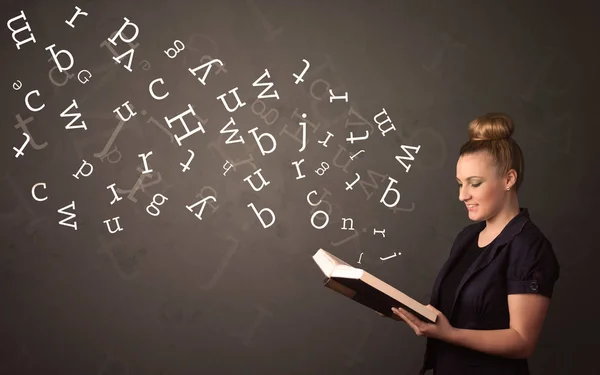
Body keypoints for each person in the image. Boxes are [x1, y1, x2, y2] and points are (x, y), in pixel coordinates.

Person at [388, 113, 560, 374]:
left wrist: (451, 334)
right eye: (459, 184)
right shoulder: (467, 237)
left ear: (508, 179)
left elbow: (522, 341)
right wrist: (400, 308)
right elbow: (453, 310)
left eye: (474, 183)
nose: (462, 195)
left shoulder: (529, 247)